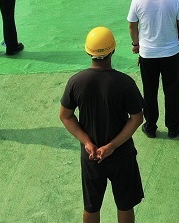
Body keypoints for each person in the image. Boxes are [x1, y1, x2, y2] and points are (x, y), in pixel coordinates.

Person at [60, 27, 146, 223]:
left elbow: (66, 116)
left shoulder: (76, 82)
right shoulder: (125, 83)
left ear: (88, 52)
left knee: (91, 206)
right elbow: (137, 118)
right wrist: (112, 146)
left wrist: (87, 142)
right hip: (121, 155)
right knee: (125, 204)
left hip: (91, 156)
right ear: (113, 50)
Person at [128, 0, 179, 139]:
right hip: (170, 53)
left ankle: (150, 126)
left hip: (147, 54)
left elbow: (132, 26)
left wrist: (136, 44)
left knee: (149, 91)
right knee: (171, 90)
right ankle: (173, 126)